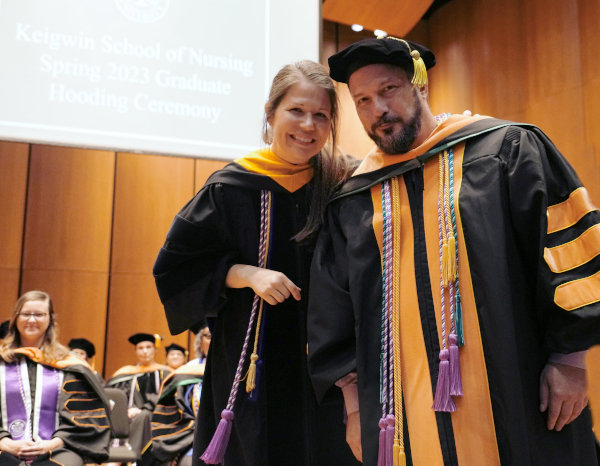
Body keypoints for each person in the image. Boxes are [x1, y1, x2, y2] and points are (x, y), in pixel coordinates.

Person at [307, 37, 600, 466]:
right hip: (401, 410)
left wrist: (570, 362)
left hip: (516, 391)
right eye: (363, 100)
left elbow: (566, 250)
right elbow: (334, 309)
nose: (378, 111)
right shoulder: (352, 200)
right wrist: (353, 408)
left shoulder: (506, 150)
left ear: (419, 85)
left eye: (389, 90)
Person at [153, 60, 359, 465]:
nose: (308, 125)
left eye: (321, 115)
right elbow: (177, 268)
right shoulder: (231, 187)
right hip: (253, 366)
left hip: (332, 369)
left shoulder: (344, 183)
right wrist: (245, 273)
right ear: (270, 113)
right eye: (296, 111)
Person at [0, 291, 111, 465]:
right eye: (26, 314)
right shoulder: (2, 360)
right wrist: (5, 442)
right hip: (4, 447)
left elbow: (85, 418)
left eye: (39, 314)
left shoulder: (68, 364)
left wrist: (53, 443)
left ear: (50, 319)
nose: (31, 320)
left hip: (60, 448)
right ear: (15, 318)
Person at [141, 325, 213, 466]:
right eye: (209, 336)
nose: (215, 339)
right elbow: (169, 412)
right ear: (200, 342)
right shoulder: (186, 373)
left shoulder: (242, 370)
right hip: (189, 434)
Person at [106, 332, 171, 458]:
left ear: (155, 350)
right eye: (140, 348)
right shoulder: (125, 374)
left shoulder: (165, 373)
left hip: (157, 416)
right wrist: (127, 409)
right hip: (128, 416)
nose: (145, 351)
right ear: (135, 351)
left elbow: (166, 397)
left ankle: (129, 456)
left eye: (148, 347)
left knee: (144, 416)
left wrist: (143, 409)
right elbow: (117, 398)